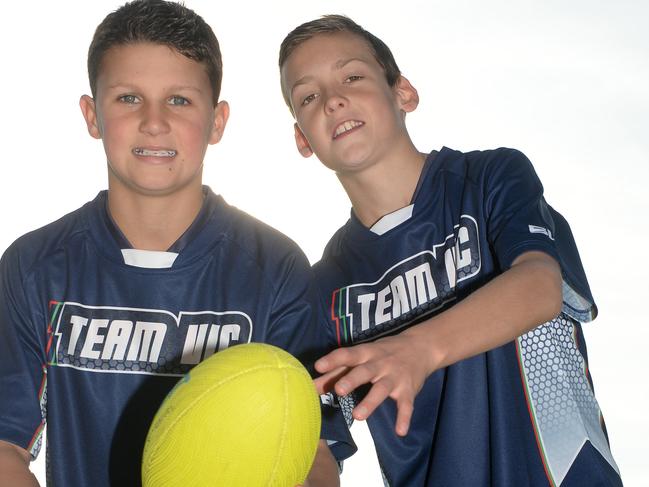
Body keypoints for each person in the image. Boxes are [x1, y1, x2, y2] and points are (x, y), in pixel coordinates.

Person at [0, 2, 355, 486]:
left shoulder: (276, 267)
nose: (154, 121)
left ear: (217, 121)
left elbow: (314, 452)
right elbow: (4, 447)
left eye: (180, 100)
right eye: (128, 98)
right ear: (91, 114)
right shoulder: (33, 265)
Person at [278, 14, 622, 487]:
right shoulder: (324, 290)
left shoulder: (490, 178)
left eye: (352, 76)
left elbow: (540, 285)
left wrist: (416, 350)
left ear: (403, 93)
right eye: (308, 97)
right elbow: (318, 445)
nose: (333, 99)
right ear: (303, 138)